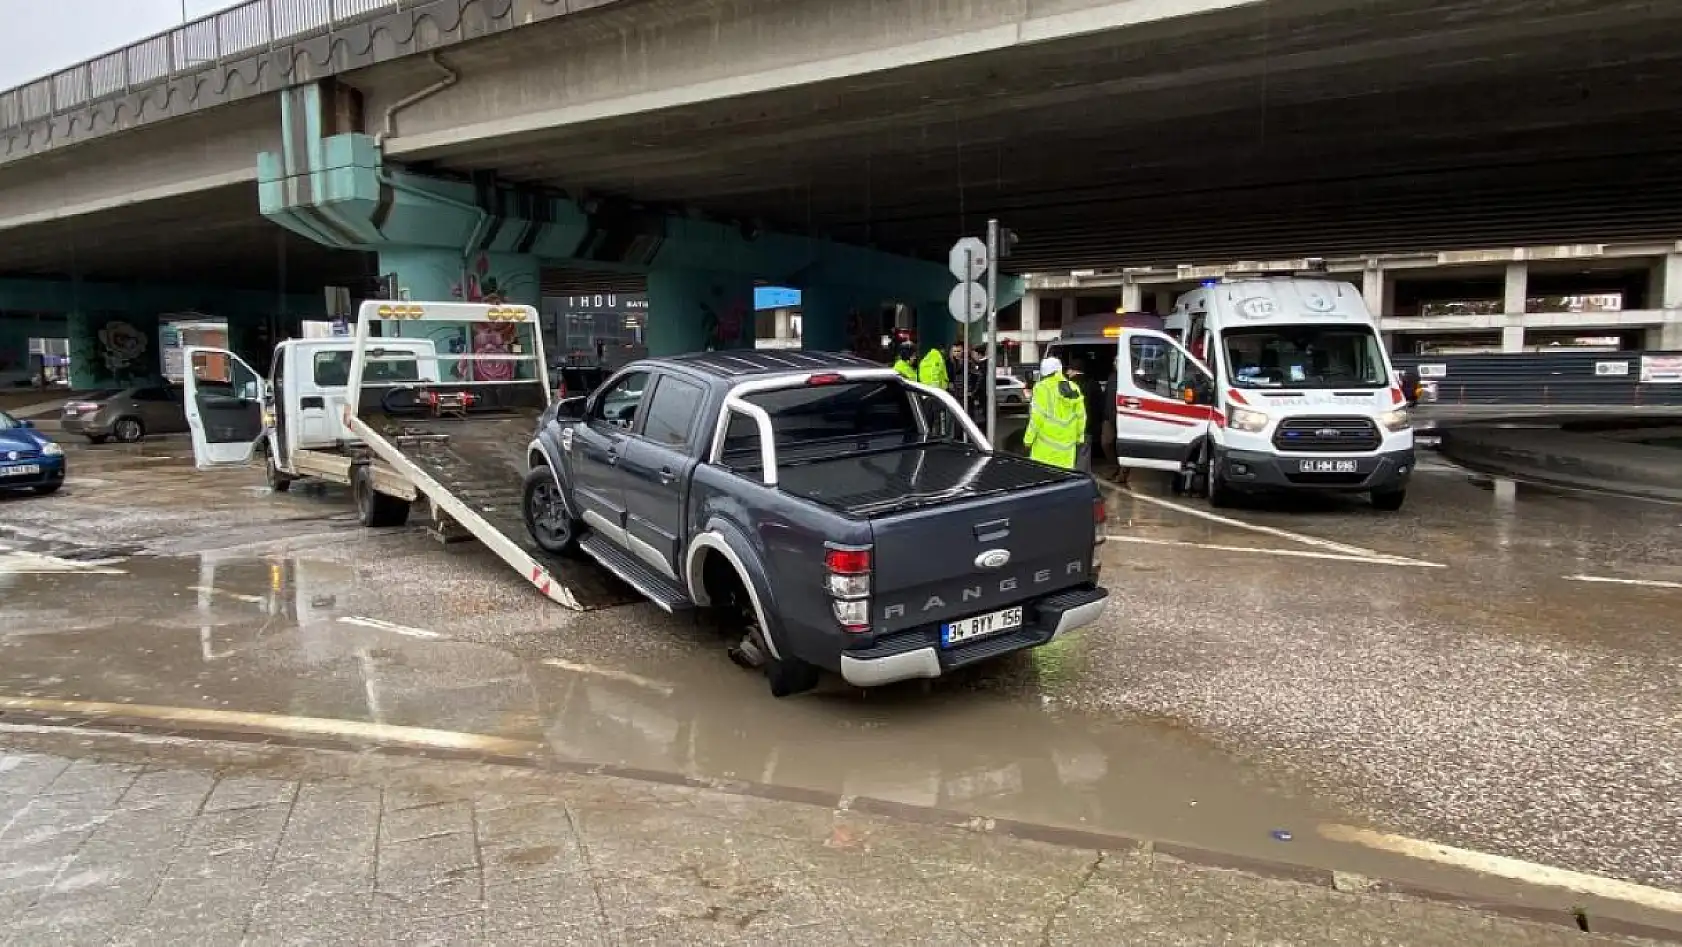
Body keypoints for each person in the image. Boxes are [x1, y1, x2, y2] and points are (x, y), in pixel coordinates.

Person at [1022, 356, 1087, 471]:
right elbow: (1081, 416)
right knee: (1063, 481)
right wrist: (1079, 438)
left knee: (1045, 482)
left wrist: (1028, 440)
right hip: (1067, 448)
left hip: (1045, 449)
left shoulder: (1042, 387)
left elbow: (1037, 417)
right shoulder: (1073, 387)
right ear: (1059, 369)